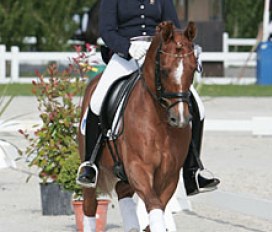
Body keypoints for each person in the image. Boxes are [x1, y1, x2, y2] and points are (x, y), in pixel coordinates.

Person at [77, 0, 220, 196]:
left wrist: (185, 48)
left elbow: (174, 27)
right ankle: (90, 164)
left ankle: (192, 171)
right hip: (126, 55)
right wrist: (128, 47)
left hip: (159, 55)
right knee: (97, 100)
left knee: (198, 106)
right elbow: (107, 31)